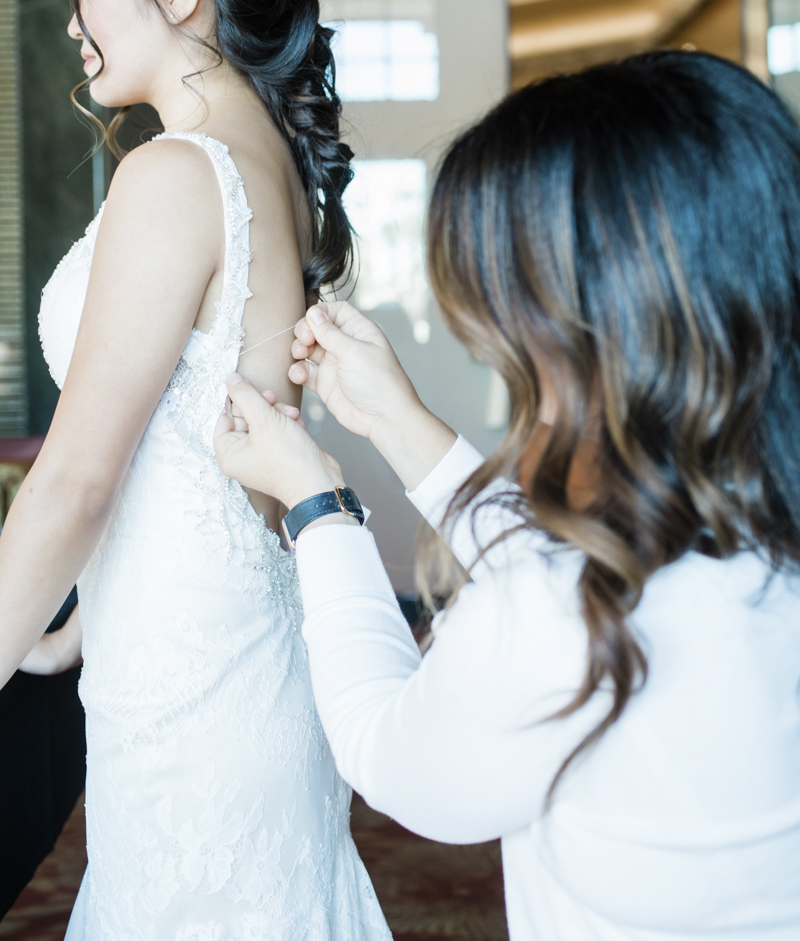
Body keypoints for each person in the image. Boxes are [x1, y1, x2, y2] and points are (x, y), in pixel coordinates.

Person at [215, 51, 800, 941]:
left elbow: (395, 757)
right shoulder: (744, 532)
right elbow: (573, 555)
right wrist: (399, 422)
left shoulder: (561, 615)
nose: (494, 350)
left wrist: (317, 506)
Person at [0, 0, 389, 940]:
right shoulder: (268, 161)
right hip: (233, 644)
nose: (74, 21)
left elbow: (78, 475)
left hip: (194, 680)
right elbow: (210, 444)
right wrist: (70, 628)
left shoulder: (173, 174)